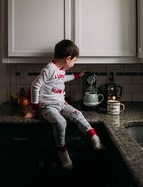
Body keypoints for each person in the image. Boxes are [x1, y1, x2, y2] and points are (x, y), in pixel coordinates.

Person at [25, 39, 104, 170]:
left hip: (61, 103)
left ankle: (94, 137)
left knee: (78, 114)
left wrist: (78, 75)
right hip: (48, 107)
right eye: (74, 61)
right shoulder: (49, 69)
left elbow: (63, 78)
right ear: (68, 59)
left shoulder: (60, 69)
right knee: (61, 122)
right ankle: (62, 151)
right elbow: (35, 86)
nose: (74, 63)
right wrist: (34, 107)